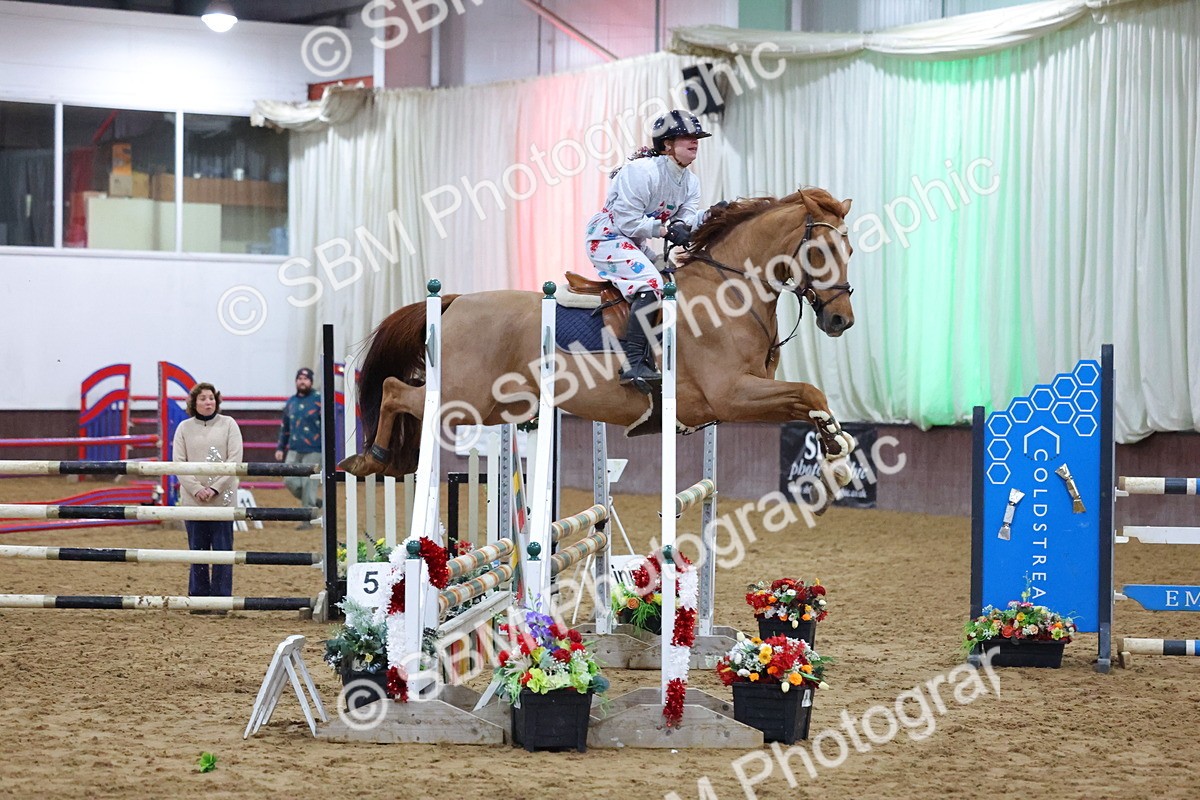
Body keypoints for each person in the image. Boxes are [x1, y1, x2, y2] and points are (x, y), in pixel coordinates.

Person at [584, 109, 711, 391]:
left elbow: (685, 219)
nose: (695, 142)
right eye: (687, 137)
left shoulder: (691, 182)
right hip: (607, 238)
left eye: (697, 137)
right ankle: (633, 364)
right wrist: (665, 230)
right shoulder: (641, 172)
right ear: (666, 144)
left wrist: (708, 216)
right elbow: (626, 220)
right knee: (651, 285)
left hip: (635, 242)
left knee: (674, 284)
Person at [172, 382, 243, 609]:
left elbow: (235, 460)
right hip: (193, 500)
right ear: (194, 402)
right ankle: (198, 598)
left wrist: (215, 488)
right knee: (198, 551)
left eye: (211, 398)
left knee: (223, 552)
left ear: (217, 401)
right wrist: (196, 489)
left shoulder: (229, 425)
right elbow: (178, 463)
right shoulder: (183, 428)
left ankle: (221, 600)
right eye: (202, 398)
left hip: (222, 500)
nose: (207, 402)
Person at [275, 367, 322, 528]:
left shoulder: (319, 400)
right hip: (294, 448)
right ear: (296, 381)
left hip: (315, 449)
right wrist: (280, 447)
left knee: (309, 484)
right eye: (299, 378)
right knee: (290, 481)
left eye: (306, 378)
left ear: (311, 381)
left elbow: (327, 426)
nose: (302, 381)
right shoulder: (291, 402)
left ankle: (307, 520)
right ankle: (312, 501)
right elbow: (285, 427)